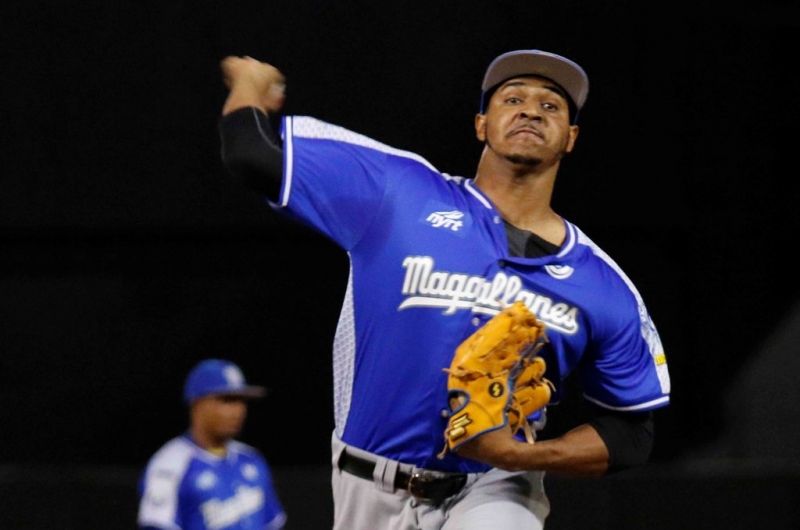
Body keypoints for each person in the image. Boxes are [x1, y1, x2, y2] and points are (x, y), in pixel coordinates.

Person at [217, 49, 671, 529]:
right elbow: (250, 156)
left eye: (552, 106)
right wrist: (249, 82)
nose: (532, 110)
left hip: (496, 487)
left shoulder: (602, 285)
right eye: (512, 98)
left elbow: (632, 430)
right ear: (481, 124)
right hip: (366, 485)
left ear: (571, 138)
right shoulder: (400, 191)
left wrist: (524, 457)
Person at [137, 358, 287, 530]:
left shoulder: (251, 459)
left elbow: (272, 524)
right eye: (227, 399)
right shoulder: (169, 466)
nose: (238, 410)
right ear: (197, 404)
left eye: (241, 400)